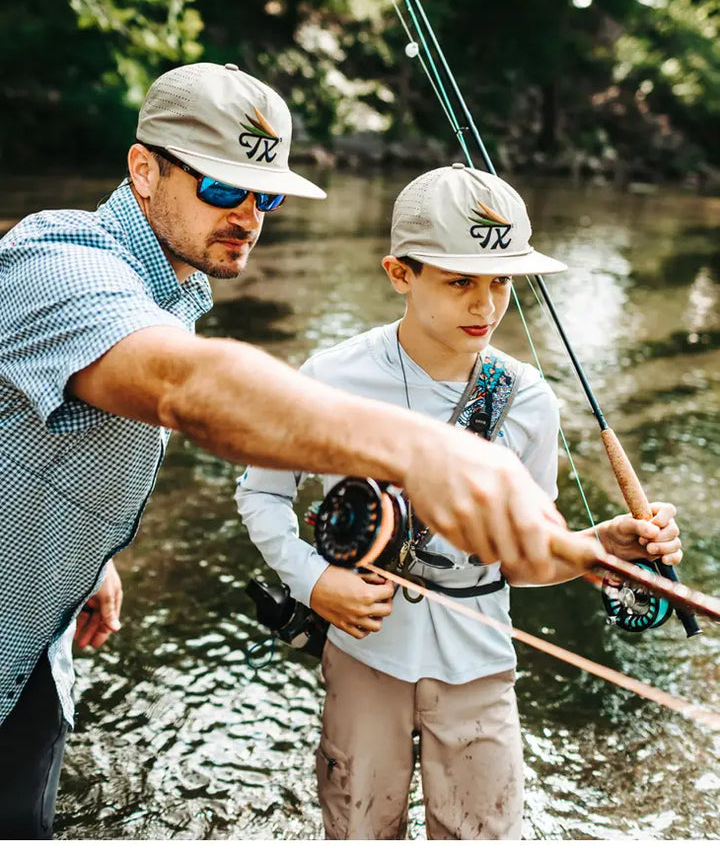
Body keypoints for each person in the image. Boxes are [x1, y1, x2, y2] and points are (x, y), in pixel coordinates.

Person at [0, 65, 572, 840]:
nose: (247, 214)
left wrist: (89, 558)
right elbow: (189, 391)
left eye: (266, 196)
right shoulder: (57, 263)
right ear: (144, 169)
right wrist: (423, 451)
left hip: (38, 641)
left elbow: (48, 435)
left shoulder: (166, 294)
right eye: (222, 187)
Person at [235, 163, 683, 840]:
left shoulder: (527, 398)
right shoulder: (328, 377)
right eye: (460, 281)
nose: (487, 304)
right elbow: (261, 495)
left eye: (501, 280)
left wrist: (598, 550)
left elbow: (526, 560)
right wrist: (315, 581)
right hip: (364, 656)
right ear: (399, 274)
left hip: (480, 665)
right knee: (357, 828)